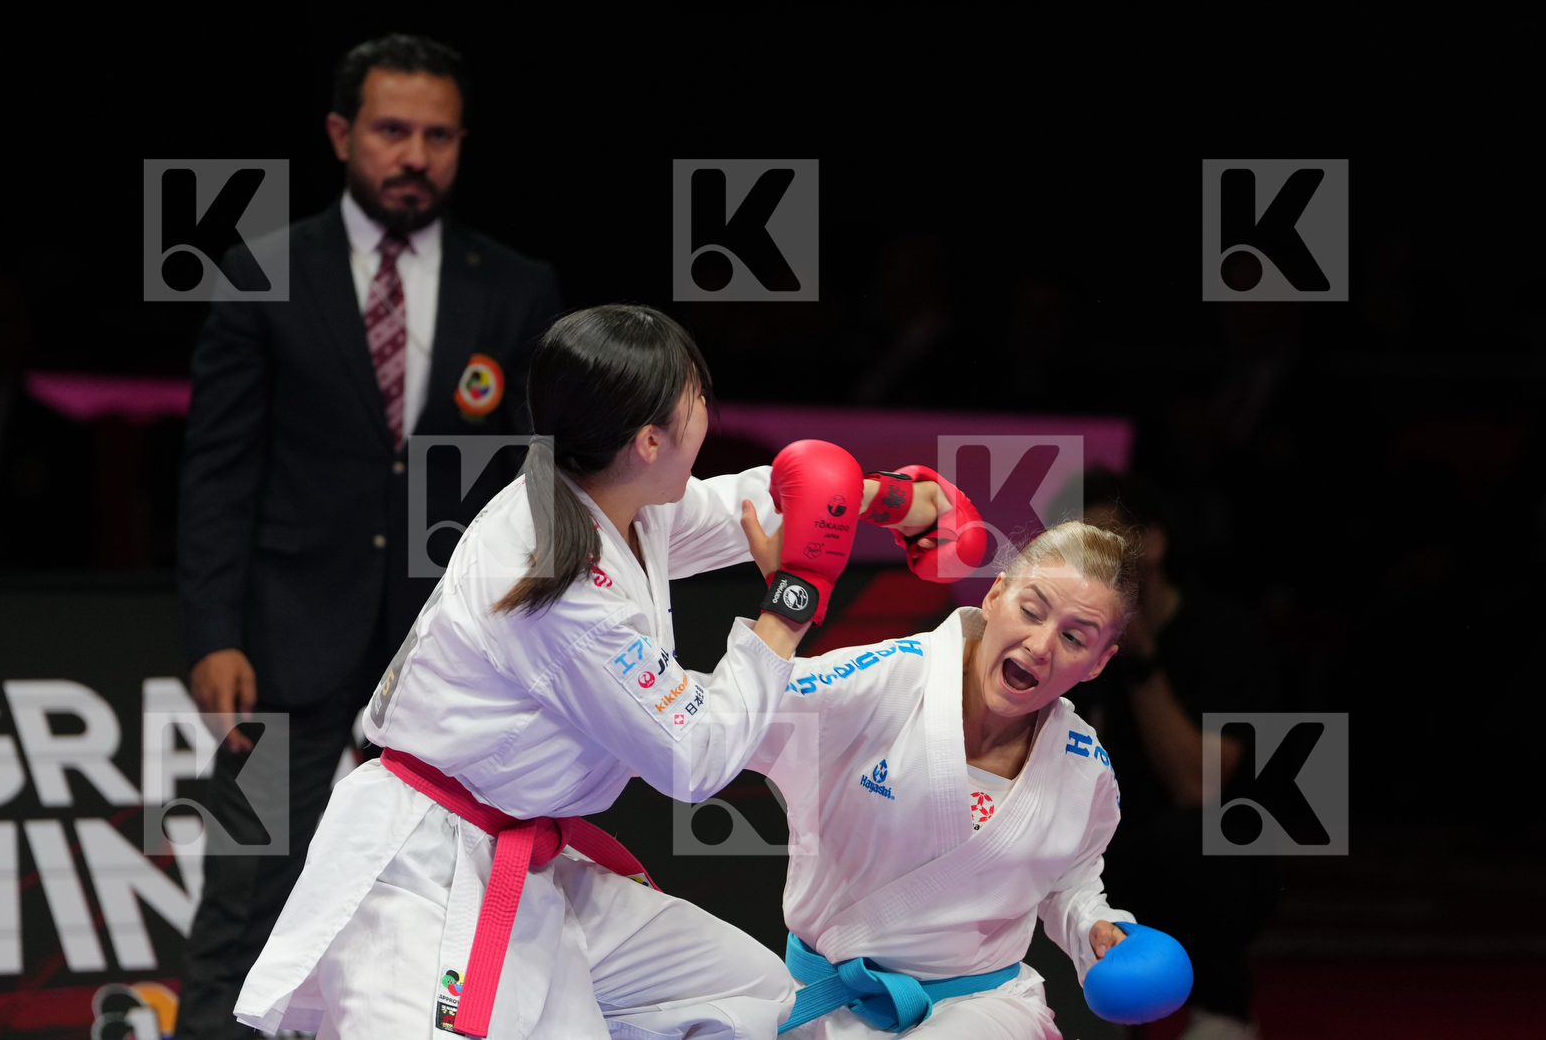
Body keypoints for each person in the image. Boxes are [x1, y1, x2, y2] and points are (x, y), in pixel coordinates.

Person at [233, 305, 915, 1040]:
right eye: (696, 399)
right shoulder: (561, 587)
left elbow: (742, 508)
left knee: (756, 997)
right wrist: (790, 605)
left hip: (525, 859)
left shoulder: (606, 494)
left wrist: (887, 498)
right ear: (650, 439)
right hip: (428, 880)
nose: (706, 416)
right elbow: (695, 759)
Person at [175, 33, 561, 1039]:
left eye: (438, 135)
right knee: (247, 883)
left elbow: (537, 481)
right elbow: (219, 470)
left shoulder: (515, 287)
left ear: (461, 143)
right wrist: (214, 630)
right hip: (283, 642)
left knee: (452, 896)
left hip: (453, 652)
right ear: (343, 134)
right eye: (392, 131)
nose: (415, 155)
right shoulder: (263, 270)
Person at [755, 507, 1145, 1040]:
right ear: (995, 595)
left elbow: (1066, 878)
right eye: (1032, 611)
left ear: (1099, 663)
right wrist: (780, 611)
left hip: (980, 1009)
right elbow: (719, 723)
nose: (1040, 645)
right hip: (823, 1001)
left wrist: (1091, 925)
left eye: (1076, 639)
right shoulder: (880, 682)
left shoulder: (1084, 766)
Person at [1071, 470, 1281, 1040]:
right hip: (1105, 843)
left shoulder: (1229, 635)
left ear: (1155, 544)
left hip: (1229, 851)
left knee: (1184, 837)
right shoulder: (1063, 640)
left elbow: (1199, 786)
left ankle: (1223, 1009)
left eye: (1108, 538)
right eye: (1079, 544)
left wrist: (1139, 659)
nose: (1095, 559)